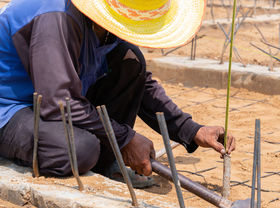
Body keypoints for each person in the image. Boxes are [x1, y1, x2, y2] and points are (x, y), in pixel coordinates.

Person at [0, 0, 235, 187]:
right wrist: (125, 138)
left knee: (130, 60)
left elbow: (143, 86)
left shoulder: (105, 24)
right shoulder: (56, 17)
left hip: (47, 103)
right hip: (9, 108)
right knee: (80, 149)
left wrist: (191, 130)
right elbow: (60, 102)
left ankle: (105, 160)